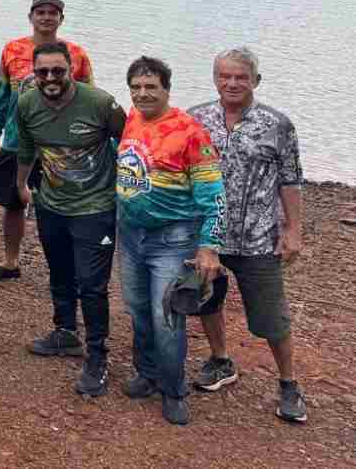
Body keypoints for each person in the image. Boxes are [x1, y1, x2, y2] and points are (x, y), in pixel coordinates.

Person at [188, 47, 307, 423]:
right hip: (208, 235)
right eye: (225, 76)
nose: (232, 83)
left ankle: (288, 383)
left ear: (256, 80)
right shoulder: (195, 119)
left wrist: (293, 230)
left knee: (272, 317)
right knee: (208, 301)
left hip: (258, 238)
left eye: (241, 77)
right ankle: (221, 360)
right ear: (215, 79)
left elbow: (290, 179)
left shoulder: (278, 125)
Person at [116, 56, 225, 425]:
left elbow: (214, 195)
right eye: (136, 87)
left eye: (151, 87)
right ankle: (147, 373)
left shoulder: (190, 132)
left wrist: (208, 246)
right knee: (137, 309)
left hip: (172, 240)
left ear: (166, 89)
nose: (143, 94)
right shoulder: (132, 119)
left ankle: (173, 389)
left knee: (167, 317)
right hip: (130, 235)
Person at [15, 42, 124, 397]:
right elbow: (27, 147)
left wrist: (132, 191)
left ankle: (97, 356)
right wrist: (21, 184)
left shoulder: (100, 103)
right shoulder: (27, 103)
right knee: (60, 271)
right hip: (51, 203)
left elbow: (130, 144)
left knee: (92, 284)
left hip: (95, 207)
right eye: (42, 71)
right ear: (34, 72)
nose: (50, 78)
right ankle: (65, 332)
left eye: (58, 71)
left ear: (72, 70)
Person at [0, 0, 95, 284]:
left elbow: (90, 100)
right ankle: (10, 262)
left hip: (60, 145)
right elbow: (3, 94)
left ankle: (65, 268)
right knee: (13, 204)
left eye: (52, 13)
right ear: (31, 16)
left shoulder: (77, 54)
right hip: (16, 141)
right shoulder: (12, 49)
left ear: (61, 18)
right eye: (40, 12)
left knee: (61, 206)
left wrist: (89, 139)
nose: (46, 17)